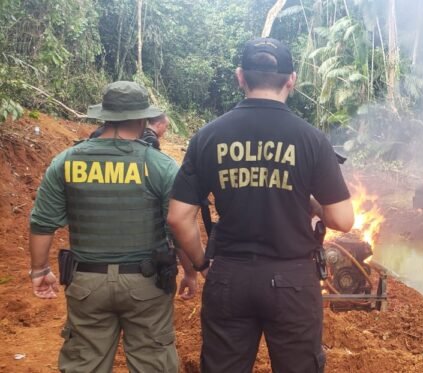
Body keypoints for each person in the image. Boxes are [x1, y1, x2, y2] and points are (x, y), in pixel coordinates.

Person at [167, 38, 354, 373]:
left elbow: (179, 218)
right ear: (291, 80)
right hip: (294, 281)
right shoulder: (312, 139)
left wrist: (202, 263)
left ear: (240, 77)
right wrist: (311, 203)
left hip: (230, 276)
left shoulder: (208, 137)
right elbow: (342, 219)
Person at [28, 81, 197, 372]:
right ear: (143, 119)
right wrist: (191, 272)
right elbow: (178, 228)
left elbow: (42, 223)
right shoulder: (160, 165)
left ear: (104, 116)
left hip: (86, 284)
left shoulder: (66, 161)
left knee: (84, 364)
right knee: (153, 362)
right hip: (146, 284)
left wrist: (40, 270)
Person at [89, 113, 169, 150]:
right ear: (140, 121)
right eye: (166, 126)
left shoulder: (97, 133)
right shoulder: (150, 139)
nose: (166, 129)